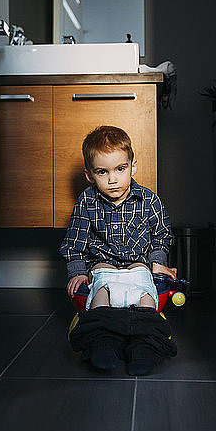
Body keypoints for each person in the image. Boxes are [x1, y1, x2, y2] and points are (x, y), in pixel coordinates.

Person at [60, 125, 178, 376]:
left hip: (138, 269)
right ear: (90, 174)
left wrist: (158, 262)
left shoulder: (150, 200)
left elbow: (161, 236)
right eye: (103, 172)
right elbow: (74, 242)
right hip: (104, 269)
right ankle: (102, 341)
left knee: (147, 297)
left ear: (133, 166)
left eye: (120, 169)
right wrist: (77, 272)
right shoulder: (87, 201)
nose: (112, 179)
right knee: (100, 294)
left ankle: (145, 345)